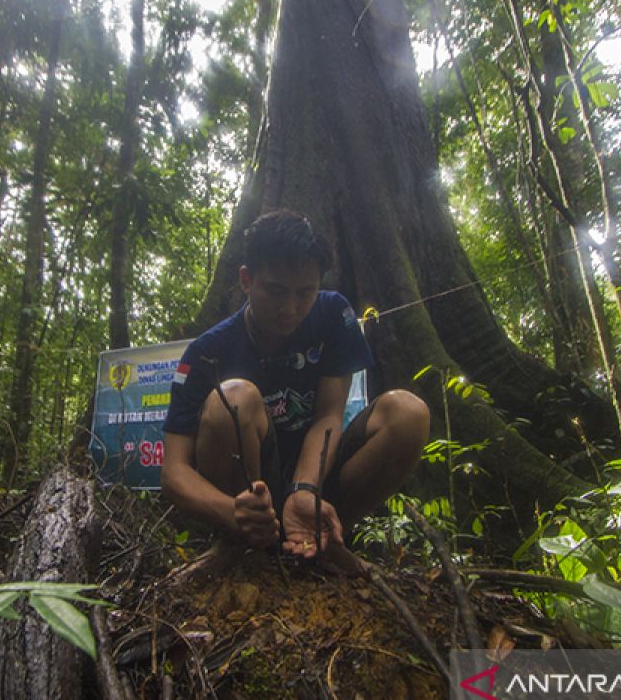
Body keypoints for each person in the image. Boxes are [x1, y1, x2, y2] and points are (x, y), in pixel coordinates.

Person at [162, 210, 430, 574]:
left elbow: (329, 416)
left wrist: (305, 489)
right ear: (246, 279)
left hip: (319, 480)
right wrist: (234, 513)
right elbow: (174, 471)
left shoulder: (333, 315)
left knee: (408, 414)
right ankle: (240, 547)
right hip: (252, 497)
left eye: (305, 293)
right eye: (276, 291)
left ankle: (325, 541)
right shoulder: (207, 352)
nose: (290, 309)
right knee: (235, 399)